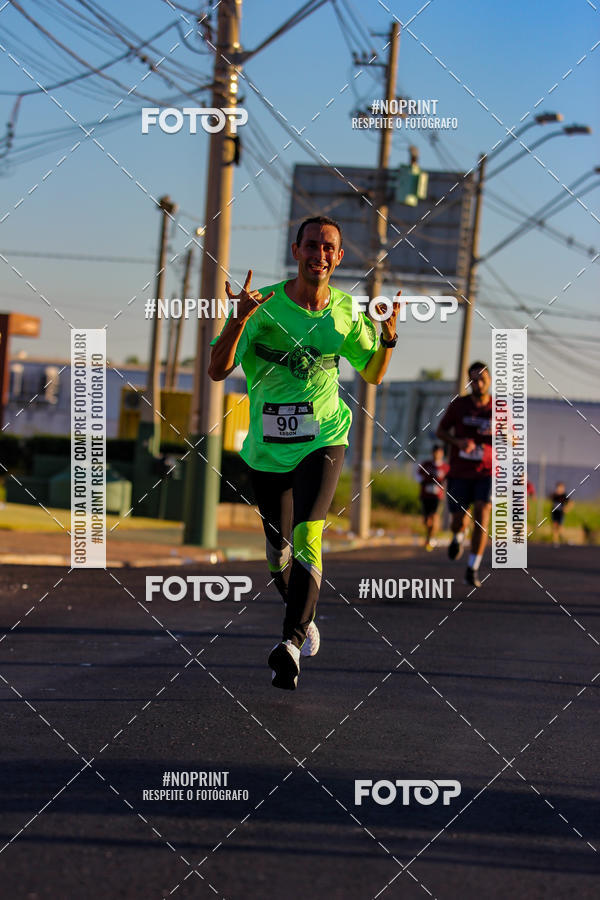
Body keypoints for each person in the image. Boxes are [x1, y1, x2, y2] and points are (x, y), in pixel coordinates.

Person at [208, 215, 401, 690]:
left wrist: (390, 339)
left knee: (309, 530)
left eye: (328, 247)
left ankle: (290, 644)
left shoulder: (344, 311)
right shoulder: (264, 306)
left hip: (324, 438)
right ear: (296, 252)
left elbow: (372, 372)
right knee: (279, 551)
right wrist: (239, 320)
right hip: (268, 450)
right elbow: (217, 369)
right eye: (311, 245)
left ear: (338, 258)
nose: (319, 254)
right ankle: (303, 612)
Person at [436, 361, 492, 588]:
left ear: (489, 380)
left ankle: (473, 567)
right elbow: (440, 431)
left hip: (487, 472)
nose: (478, 383)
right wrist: (458, 442)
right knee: (458, 520)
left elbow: (514, 439)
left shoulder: (500, 409)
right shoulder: (459, 405)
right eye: (473, 379)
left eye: (482, 379)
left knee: (482, 512)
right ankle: (458, 536)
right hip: (460, 472)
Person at [416, 444, 449, 550]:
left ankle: (431, 537)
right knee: (427, 520)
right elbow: (418, 476)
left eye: (439, 452)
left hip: (437, 496)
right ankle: (428, 535)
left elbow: (448, 480)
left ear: (442, 453)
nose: (437, 454)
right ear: (432, 453)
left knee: (435, 517)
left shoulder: (445, 467)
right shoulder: (426, 464)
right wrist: (425, 480)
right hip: (426, 495)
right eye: (435, 452)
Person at [550, 481, 571, 547]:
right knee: (554, 526)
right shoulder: (554, 495)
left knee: (560, 527)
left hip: (561, 513)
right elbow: (551, 499)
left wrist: (566, 508)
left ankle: (562, 538)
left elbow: (570, 503)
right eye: (558, 488)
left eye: (561, 488)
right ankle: (555, 541)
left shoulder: (564, 495)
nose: (559, 489)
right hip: (554, 512)